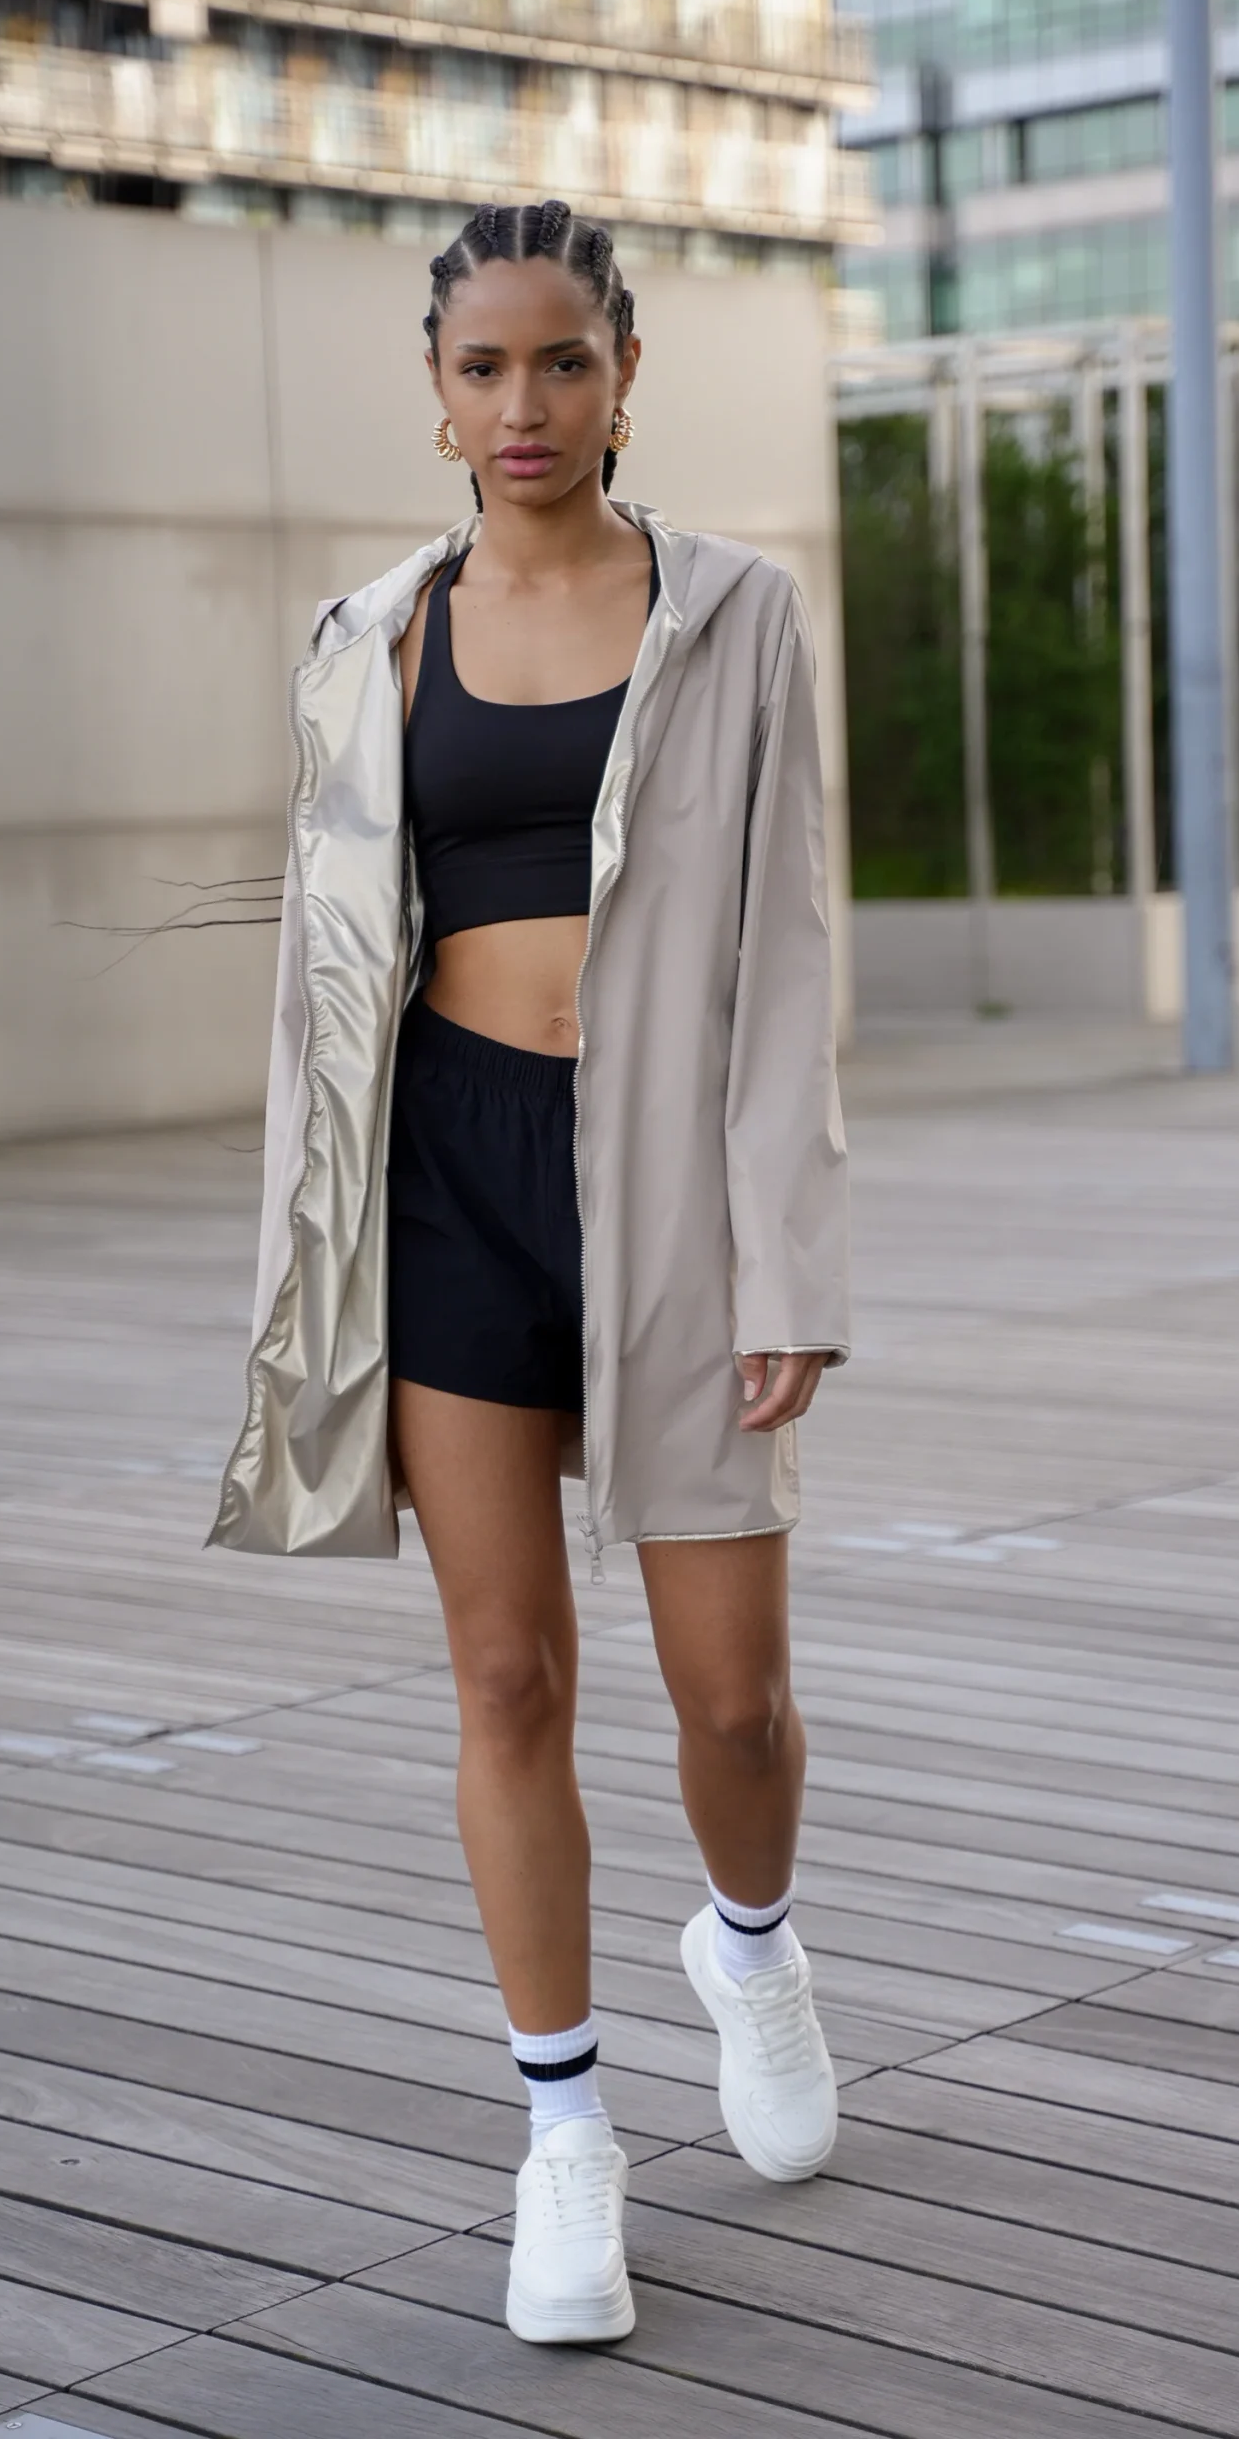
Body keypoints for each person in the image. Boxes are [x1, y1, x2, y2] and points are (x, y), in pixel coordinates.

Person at [211, 198, 850, 2345]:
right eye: (482, 366)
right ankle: (565, 2138)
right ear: (435, 391)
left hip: (673, 1183)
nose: (523, 404)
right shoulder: (364, 636)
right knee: (507, 1678)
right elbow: (324, 983)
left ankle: (749, 1945)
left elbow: (788, 952)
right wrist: (306, 1269)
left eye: (561, 359)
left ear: (623, 371)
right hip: (449, 1172)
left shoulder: (733, 609)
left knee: (731, 1695)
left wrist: (788, 1253)